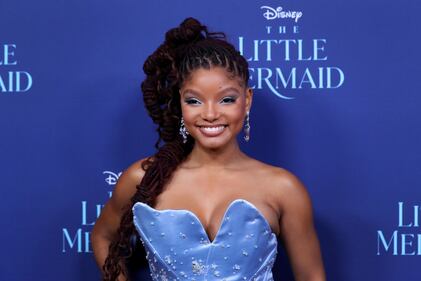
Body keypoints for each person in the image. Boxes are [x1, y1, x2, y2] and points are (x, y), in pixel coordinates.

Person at [91, 17, 326, 281]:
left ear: (247, 100)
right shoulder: (143, 178)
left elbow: (312, 277)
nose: (211, 114)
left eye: (227, 99)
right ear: (179, 102)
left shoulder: (284, 188)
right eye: (194, 100)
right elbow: (103, 236)